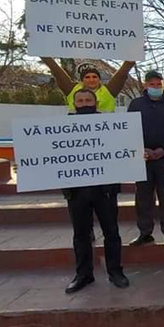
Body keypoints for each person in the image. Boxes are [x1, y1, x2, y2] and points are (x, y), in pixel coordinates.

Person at [62, 88, 129, 293]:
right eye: (80, 101)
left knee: (112, 232)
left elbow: (123, 149)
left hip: (105, 191)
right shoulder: (61, 128)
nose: (84, 104)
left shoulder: (110, 126)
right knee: (80, 235)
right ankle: (83, 274)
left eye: (88, 100)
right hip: (76, 192)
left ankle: (115, 272)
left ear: (96, 103)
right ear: (74, 104)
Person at [127, 70, 164, 247]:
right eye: (152, 84)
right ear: (145, 85)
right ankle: (145, 233)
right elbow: (129, 130)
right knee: (143, 198)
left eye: (158, 84)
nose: (156, 87)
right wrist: (141, 148)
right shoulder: (136, 105)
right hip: (142, 159)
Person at [40, 57, 135, 113]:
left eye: (94, 77)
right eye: (87, 77)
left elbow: (122, 75)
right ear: (82, 80)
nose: (91, 80)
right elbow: (57, 72)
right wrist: (42, 53)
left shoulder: (109, 90)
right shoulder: (72, 89)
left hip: (105, 130)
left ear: (99, 79)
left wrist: (130, 59)